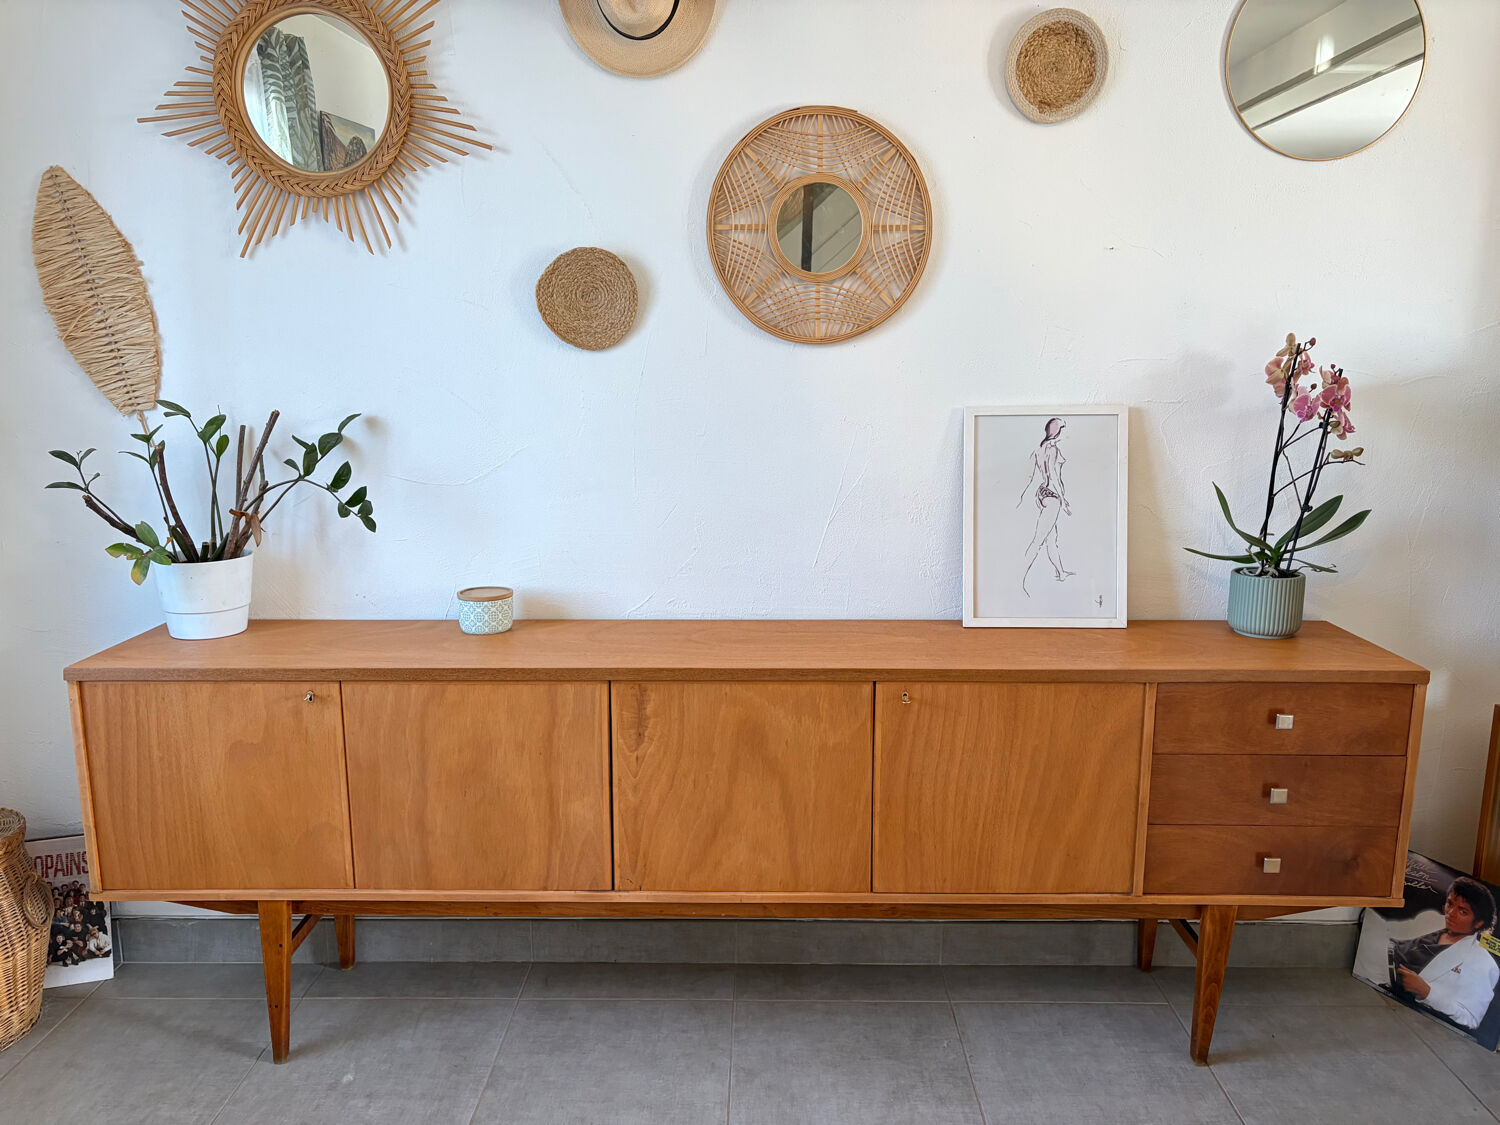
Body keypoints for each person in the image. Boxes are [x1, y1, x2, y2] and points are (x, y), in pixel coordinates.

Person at [1391, 877, 1500, 1029]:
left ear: (1479, 923)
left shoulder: (1485, 964)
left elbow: (1470, 1020)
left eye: (1463, 911)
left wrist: (1427, 992)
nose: (1451, 913)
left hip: (1426, 1027)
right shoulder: (1428, 930)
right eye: (1450, 904)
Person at [1016, 417, 1074, 595]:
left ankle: (1061, 572)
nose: (1066, 433)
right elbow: (1054, 477)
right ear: (1058, 431)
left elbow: (1034, 476)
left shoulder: (1040, 448)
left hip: (1043, 494)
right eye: (1064, 429)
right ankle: (1018, 581)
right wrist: (1063, 500)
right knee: (1038, 541)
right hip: (1053, 497)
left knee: (1051, 539)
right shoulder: (1053, 449)